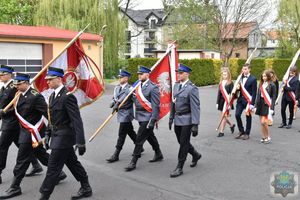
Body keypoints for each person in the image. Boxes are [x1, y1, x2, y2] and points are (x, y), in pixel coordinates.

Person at [0, 72, 66, 199]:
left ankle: (15, 187)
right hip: (23, 130)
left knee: (21, 160)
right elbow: (16, 109)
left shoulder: (35, 96)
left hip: (32, 132)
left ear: (26, 83)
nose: (16, 86)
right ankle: (59, 173)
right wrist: (4, 112)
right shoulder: (19, 94)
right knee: (39, 153)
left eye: (18, 84)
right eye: (15, 84)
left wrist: (55, 128)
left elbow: (48, 113)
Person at [39, 67, 92, 200]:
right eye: (47, 80)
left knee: (53, 167)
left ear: (58, 79)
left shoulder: (68, 97)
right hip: (57, 135)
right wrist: (47, 134)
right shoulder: (52, 96)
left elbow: (76, 120)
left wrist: (81, 141)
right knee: (72, 162)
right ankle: (86, 187)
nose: (48, 82)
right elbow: (51, 119)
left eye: (50, 80)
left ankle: (44, 195)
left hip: (65, 136)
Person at [0, 66, 42, 185]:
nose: (0, 76)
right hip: (12, 123)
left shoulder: (14, 87)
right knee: (24, 146)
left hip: (13, 123)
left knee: (2, 147)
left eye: (3, 73)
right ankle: (36, 165)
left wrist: (4, 112)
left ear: (10, 74)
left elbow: (19, 107)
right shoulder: (4, 88)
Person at [124, 66, 163, 172]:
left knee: (139, 138)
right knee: (150, 136)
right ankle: (158, 153)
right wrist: (118, 103)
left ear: (147, 74)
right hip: (140, 116)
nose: (139, 75)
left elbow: (156, 105)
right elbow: (133, 99)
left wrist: (153, 120)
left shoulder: (153, 87)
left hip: (148, 117)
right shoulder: (137, 86)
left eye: (141, 74)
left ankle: (134, 161)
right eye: (138, 74)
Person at [168, 63, 201, 178]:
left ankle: (179, 167)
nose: (178, 75)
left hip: (187, 120)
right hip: (177, 119)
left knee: (183, 144)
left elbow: (195, 107)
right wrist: (171, 118)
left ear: (187, 74)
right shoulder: (176, 86)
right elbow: (173, 102)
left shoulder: (192, 88)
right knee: (182, 142)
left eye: (181, 73)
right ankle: (195, 154)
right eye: (178, 72)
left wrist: (195, 124)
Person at [106, 69, 138, 163]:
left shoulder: (130, 89)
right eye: (119, 77)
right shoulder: (117, 88)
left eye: (122, 77)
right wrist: (113, 103)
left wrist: (120, 104)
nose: (119, 78)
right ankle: (139, 146)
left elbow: (135, 101)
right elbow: (114, 98)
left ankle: (116, 153)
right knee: (130, 131)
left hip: (126, 113)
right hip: (119, 112)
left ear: (127, 78)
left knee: (121, 134)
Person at [235, 63, 257, 140]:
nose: (244, 70)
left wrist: (252, 104)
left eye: (245, 69)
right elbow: (238, 89)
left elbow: (254, 93)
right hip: (240, 100)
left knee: (248, 117)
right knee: (237, 115)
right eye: (243, 69)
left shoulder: (253, 79)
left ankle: (247, 133)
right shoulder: (240, 77)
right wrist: (237, 88)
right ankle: (241, 131)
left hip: (248, 101)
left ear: (249, 69)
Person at [255, 70, 276, 144]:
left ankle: (268, 136)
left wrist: (272, 108)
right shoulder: (260, 84)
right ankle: (263, 137)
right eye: (263, 76)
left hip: (267, 104)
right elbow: (258, 96)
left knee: (264, 122)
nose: (264, 77)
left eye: (265, 76)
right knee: (261, 122)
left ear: (268, 76)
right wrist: (255, 105)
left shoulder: (272, 85)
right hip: (260, 103)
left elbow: (273, 98)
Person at [216, 68, 235, 137]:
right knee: (223, 116)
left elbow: (232, 94)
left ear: (228, 75)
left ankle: (221, 131)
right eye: (223, 74)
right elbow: (219, 93)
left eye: (226, 74)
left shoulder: (230, 83)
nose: (224, 76)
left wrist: (230, 104)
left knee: (223, 116)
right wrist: (217, 102)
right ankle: (231, 125)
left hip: (227, 102)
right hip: (221, 102)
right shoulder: (220, 83)